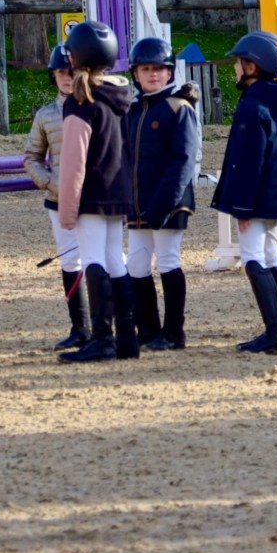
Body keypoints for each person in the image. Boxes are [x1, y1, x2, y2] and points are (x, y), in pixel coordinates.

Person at [211, 30, 277, 355]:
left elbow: (248, 160)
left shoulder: (253, 104)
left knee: (253, 257)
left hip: (257, 196)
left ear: (253, 66)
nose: (236, 68)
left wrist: (243, 206)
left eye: (239, 62)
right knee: (270, 255)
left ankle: (275, 329)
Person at [56, 21, 136, 364]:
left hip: (92, 193)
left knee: (93, 260)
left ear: (75, 58)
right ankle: (127, 338)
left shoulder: (80, 102)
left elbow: (74, 161)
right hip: (118, 191)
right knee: (116, 259)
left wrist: (67, 208)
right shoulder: (121, 97)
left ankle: (102, 339)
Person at [124, 37, 200, 351]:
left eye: (159, 69)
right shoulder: (132, 110)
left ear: (169, 72)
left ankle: (173, 332)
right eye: (146, 69)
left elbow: (183, 160)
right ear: (136, 74)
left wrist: (164, 204)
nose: (153, 74)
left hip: (170, 202)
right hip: (138, 203)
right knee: (136, 265)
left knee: (168, 260)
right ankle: (148, 330)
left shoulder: (178, 108)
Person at [24, 43, 88, 350]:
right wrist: (51, 183)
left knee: (106, 259)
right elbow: (32, 157)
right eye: (61, 72)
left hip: (94, 199)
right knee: (70, 260)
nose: (66, 77)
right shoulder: (46, 115)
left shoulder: (94, 108)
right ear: (54, 76)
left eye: (71, 71)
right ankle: (80, 327)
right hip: (59, 199)